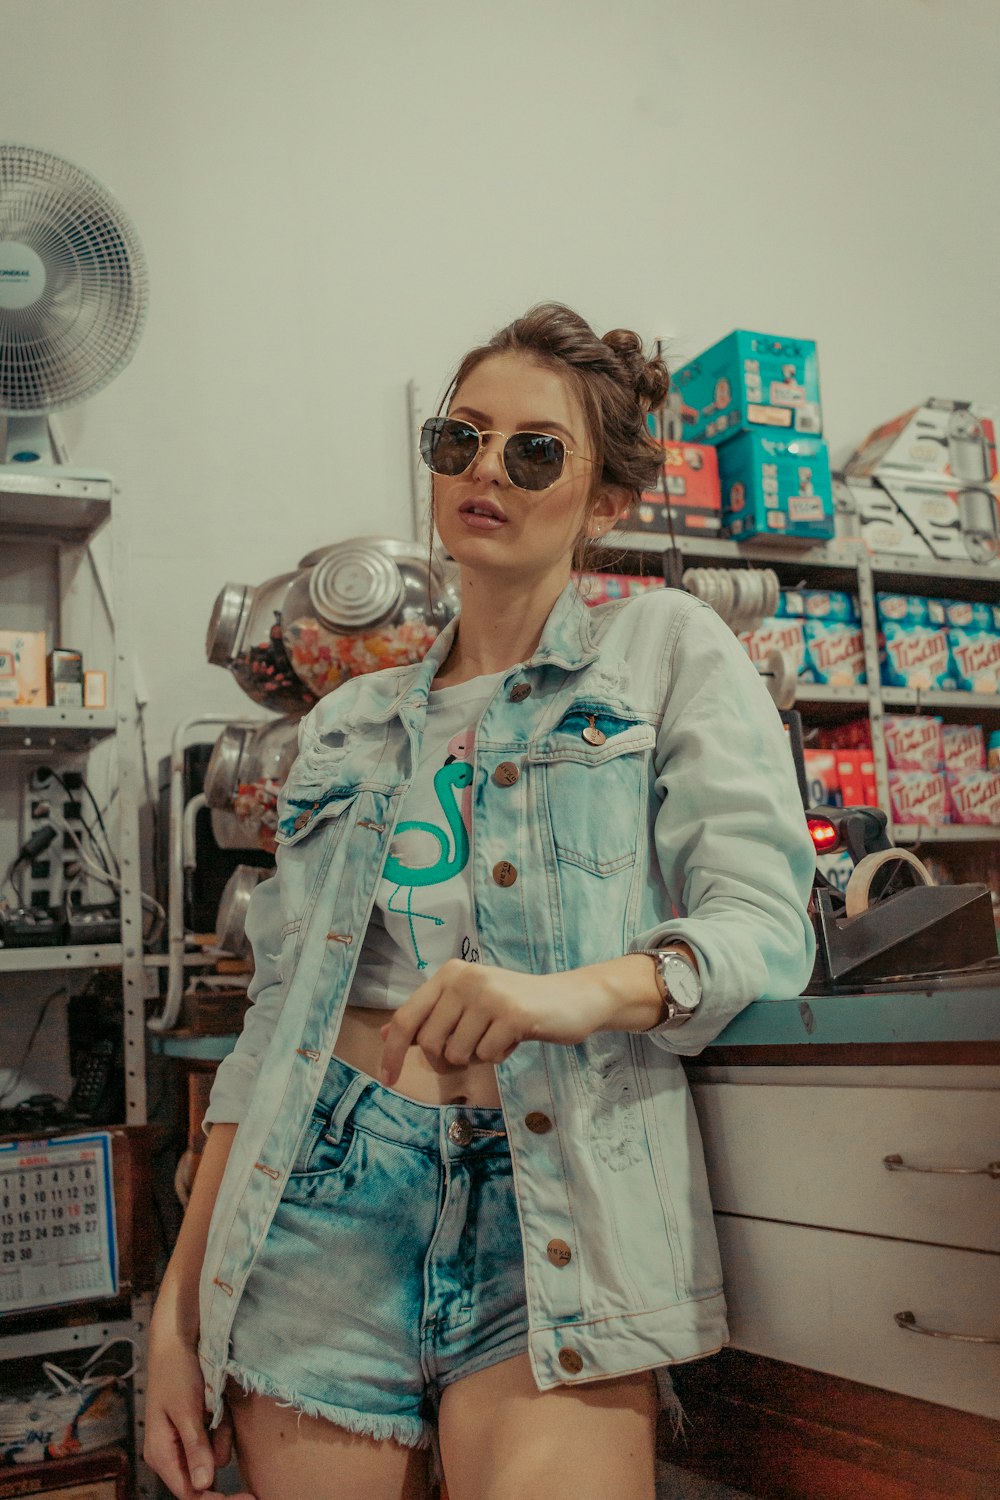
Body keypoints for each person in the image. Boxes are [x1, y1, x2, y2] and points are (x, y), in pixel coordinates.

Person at [145, 302, 816, 1500]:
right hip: (320, 1200)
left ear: (604, 502)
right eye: (459, 441)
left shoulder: (664, 651)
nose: (485, 472)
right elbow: (272, 1036)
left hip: (557, 1194)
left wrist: (572, 994)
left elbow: (765, 924)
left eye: (535, 450)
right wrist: (177, 1320)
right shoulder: (349, 719)